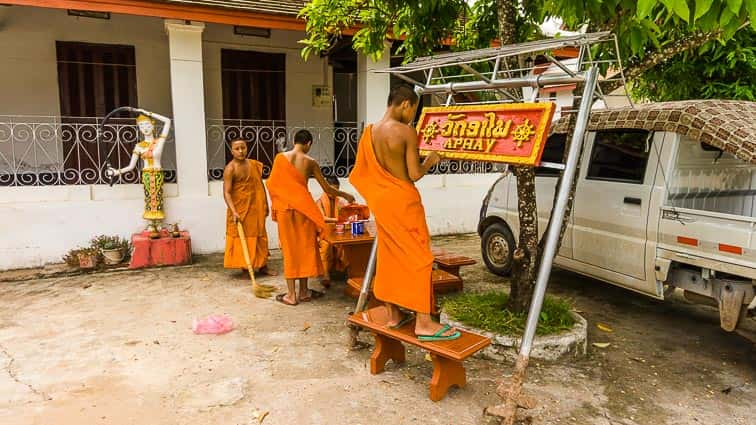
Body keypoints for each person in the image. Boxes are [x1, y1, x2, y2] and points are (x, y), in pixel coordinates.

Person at [349, 84, 461, 341]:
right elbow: (414, 174)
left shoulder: (370, 132)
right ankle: (423, 322)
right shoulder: (406, 132)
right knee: (419, 256)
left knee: (389, 255)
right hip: (403, 201)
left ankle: (394, 314)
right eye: (413, 110)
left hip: (383, 203)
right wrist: (431, 160)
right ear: (405, 105)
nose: (413, 116)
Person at [267, 130, 355, 306]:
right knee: (306, 248)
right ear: (309, 143)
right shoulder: (310, 162)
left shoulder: (280, 158)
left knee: (290, 251)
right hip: (303, 210)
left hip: (285, 210)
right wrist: (345, 195)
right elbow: (328, 189)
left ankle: (292, 295)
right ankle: (304, 291)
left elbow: (272, 186)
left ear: (294, 141)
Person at [105, 108, 171, 235]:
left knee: (157, 197)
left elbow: (167, 121)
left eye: (147, 124)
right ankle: (151, 224)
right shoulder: (139, 146)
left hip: (157, 173)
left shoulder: (159, 141)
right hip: (146, 174)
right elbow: (131, 166)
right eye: (141, 126)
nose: (145, 128)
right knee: (149, 197)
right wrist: (116, 172)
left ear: (152, 125)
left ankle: (159, 223)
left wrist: (147, 112)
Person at [222, 139, 277, 277]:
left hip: (256, 207)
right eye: (237, 148)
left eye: (243, 147)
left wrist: (265, 203)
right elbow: (226, 192)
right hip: (240, 209)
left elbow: (260, 184)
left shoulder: (253, 164)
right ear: (231, 151)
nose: (241, 151)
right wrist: (234, 212)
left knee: (260, 237)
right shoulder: (230, 169)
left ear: (247, 148)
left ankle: (263, 265)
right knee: (244, 238)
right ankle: (247, 268)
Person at [316, 175, 351, 288]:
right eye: (332, 190)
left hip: (338, 232)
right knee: (326, 246)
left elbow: (345, 215)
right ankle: (326, 275)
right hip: (323, 234)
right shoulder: (319, 201)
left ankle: (349, 273)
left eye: (337, 190)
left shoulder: (339, 201)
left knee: (347, 244)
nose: (334, 193)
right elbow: (322, 218)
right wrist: (337, 220)